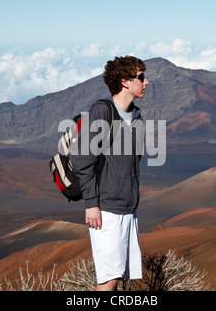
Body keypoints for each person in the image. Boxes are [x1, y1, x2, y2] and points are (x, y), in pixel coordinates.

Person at [70, 56, 149, 291]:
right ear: (125, 81)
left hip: (127, 206)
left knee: (118, 275)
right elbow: (82, 158)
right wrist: (91, 203)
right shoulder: (102, 111)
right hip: (106, 208)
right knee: (108, 279)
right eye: (141, 77)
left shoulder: (135, 116)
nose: (146, 82)